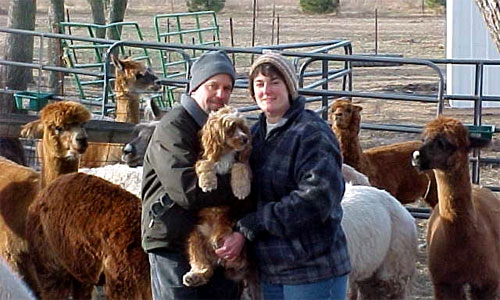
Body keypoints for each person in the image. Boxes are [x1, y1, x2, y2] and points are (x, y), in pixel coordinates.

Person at [216, 52, 351, 300]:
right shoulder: (253, 136)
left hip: (312, 269)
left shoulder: (311, 134)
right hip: (270, 270)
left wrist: (256, 223)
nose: (266, 90)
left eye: (274, 82)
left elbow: (316, 199)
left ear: (289, 87)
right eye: (259, 84)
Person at [141, 50, 244, 300]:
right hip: (172, 239)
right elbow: (187, 190)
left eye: (227, 88)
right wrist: (238, 188)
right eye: (213, 86)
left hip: (214, 238)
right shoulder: (174, 127)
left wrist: (239, 230)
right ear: (195, 86)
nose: (221, 95)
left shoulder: (225, 129)